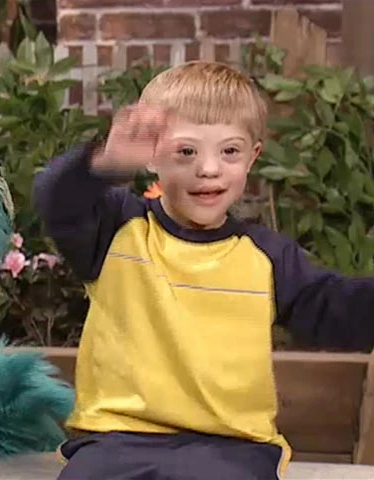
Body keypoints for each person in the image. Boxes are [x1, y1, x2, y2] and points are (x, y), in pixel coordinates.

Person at [32, 61, 374, 480]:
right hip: (117, 439)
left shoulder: (267, 256)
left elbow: (335, 310)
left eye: (229, 151)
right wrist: (106, 163)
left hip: (231, 446)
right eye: (186, 152)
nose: (208, 168)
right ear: (152, 156)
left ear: (253, 157)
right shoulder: (117, 229)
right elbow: (55, 201)